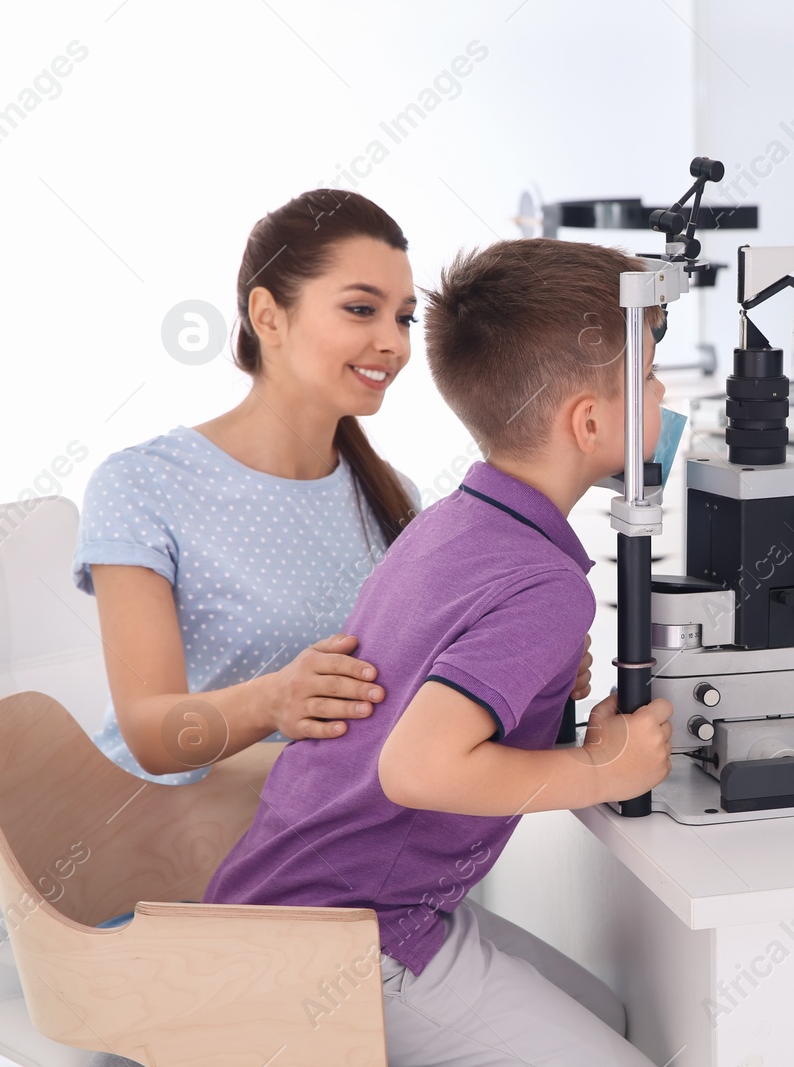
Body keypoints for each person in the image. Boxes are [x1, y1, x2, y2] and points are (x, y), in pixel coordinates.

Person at [203, 238, 675, 1066]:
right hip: (346, 940)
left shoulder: (455, 523)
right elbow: (416, 769)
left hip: (296, 898)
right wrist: (609, 767)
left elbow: (426, 677)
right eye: (645, 378)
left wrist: (538, 689)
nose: (664, 393)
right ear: (590, 422)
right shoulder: (544, 582)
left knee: (606, 1012)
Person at [71, 189, 437, 784]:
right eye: (361, 310)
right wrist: (273, 700)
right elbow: (152, 735)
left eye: (404, 317)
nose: (395, 343)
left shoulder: (396, 499)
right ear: (268, 315)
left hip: (326, 839)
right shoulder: (143, 485)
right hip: (164, 847)